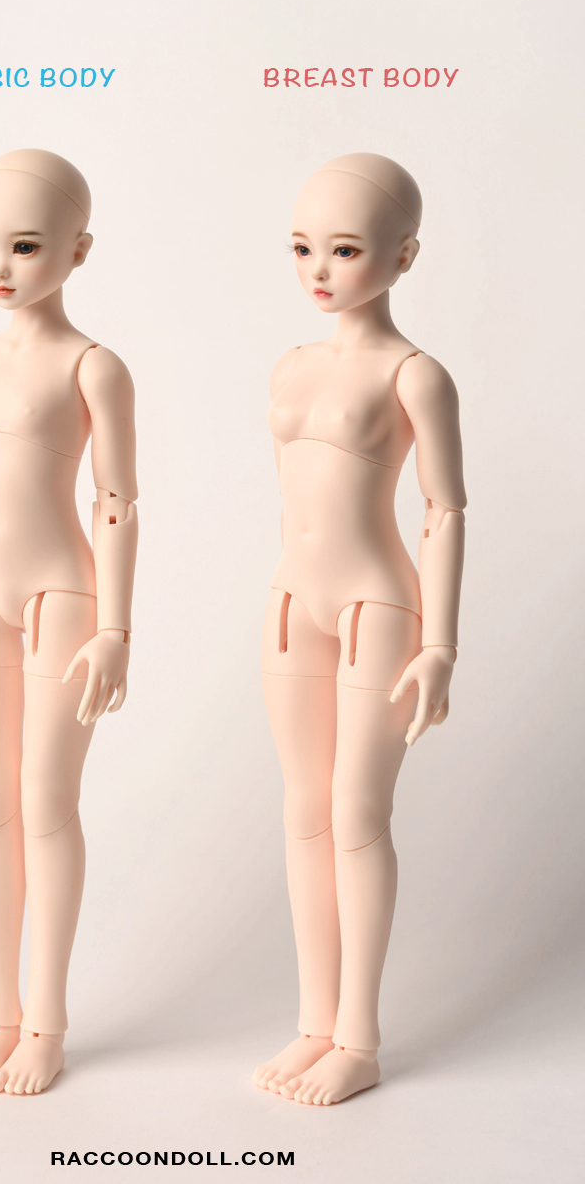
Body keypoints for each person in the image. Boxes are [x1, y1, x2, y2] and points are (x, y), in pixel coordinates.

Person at [253, 153, 466, 1105]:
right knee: (303, 810)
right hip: (291, 603)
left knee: (356, 812)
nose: (319, 270)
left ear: (403, 256)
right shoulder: (291, 364)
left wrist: (440, 643)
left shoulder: (417, 375)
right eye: (303, 248)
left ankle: (360, 1038)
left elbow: (445, 510)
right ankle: (315, 1021)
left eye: (344, 250)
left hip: (376, 605)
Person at [0, 149, 138, 1095]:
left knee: (46, 799)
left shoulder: (93, 366)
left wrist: (116, 629)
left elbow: (118, 501)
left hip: (62, 596)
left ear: (78, 250)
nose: (0, 267)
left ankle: (45, 1025)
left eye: (24, 245)